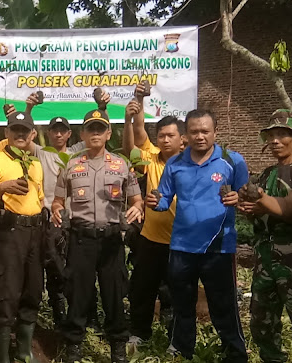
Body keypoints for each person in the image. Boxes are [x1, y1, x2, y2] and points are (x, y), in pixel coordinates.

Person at [146, 109, 249, 362]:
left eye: (205, 131)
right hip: (182, 246)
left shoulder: (232, 161)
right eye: (194, 131)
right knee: (182, 304)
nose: (200, 136)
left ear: (215, 132)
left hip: (219, 247)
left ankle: (235, 353)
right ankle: (182, 350)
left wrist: (239, 199)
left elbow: (247, 199)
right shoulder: (175, 163)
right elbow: (163, 199)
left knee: (223, 305)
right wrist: (154, 201)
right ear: (186, 135)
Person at [52, 109, 143, 363]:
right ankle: (74, 345)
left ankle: (118, 346)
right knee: (78, 294)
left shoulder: (121, 165)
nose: (95, 133)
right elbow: (58, 201)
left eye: (100, 129)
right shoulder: (71, 165)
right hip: (80, 239)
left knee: (114, 293)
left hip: (111, 240)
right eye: (90, 129)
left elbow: (137, 200)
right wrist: (58, 211)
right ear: (82, 133)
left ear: (108, 133)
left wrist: (137, 207)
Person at [237, 109, 292, 363]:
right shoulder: (266, 174)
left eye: (282, 135)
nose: (276, 141)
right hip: (265, 257)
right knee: (261, 323)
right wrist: (250, 211)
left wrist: (269, 208)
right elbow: (260, 217)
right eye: (272, 136)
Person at [0, 111, 44, 363]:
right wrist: (2, 189)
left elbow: (39, 200)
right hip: (8, 232)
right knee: (6, 293)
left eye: (24, 130)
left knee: (33, 290)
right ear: (6, 133)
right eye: (14, 129)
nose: (19, 134)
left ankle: (25, 352)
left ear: (32, 134)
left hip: (35, 232)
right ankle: (2, 357)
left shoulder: (35, 164)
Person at [122, 86, 185, 346]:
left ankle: (176, 339)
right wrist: (138, 102)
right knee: (142, 289)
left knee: (178, 292)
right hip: (150, 238)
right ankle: (140, 333)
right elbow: (137, 136)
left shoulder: (192, 165)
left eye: (171, 136)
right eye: (161, 136)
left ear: (183, 140)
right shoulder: (151, 159)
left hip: (181, 241)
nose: (165, 140)